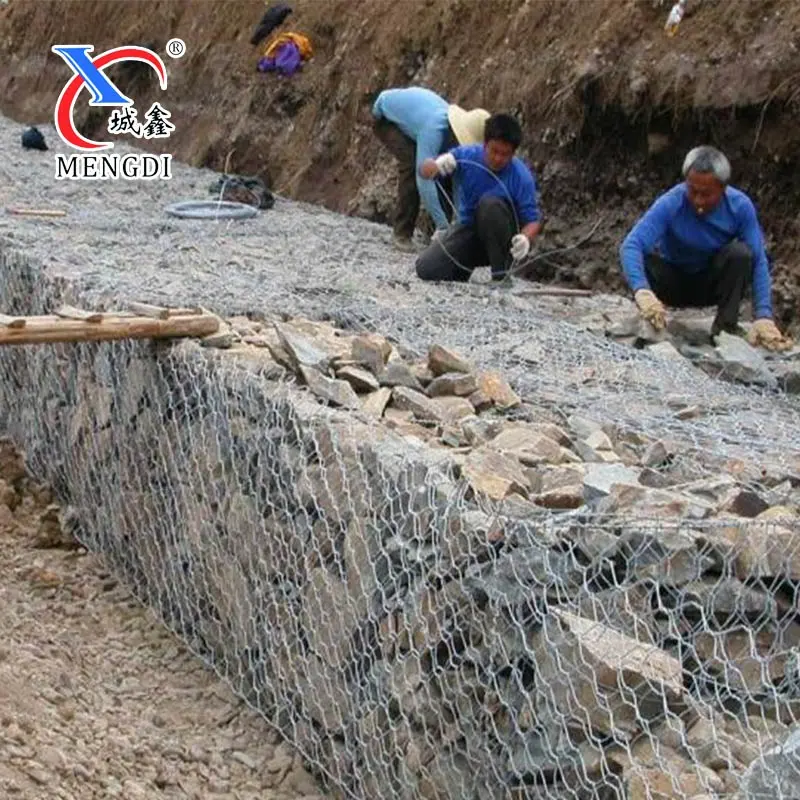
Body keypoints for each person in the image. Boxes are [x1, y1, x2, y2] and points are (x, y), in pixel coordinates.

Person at [620, 145, 792, 350]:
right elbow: (632, 245)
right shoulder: (671, 202)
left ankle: (725, 329)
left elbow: (758, 260)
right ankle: (650, 320)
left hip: (711, 283)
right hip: (673, 281)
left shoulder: (740, 207)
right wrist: (642, 291)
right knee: (640, 260)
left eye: (707, 194)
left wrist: (764, 316)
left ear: (723, 188)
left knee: (741, 255)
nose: (698, 201)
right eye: (693, 191)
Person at [414, 112, 542, 283]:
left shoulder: (521, 176)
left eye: (505, 154)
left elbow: (532, 220)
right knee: (426, 268)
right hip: (469, 232)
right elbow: (424, 171)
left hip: (502, 238)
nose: (498, 158)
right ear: (485, 144)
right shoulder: (467, 156)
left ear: (513, 154)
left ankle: (501, 277)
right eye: (494, 151)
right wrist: (437, 164)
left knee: (490, 205)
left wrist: (525, 238)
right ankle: (461, 271)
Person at [371, 87, 490, 252]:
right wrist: (443, 224)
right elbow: (424, 179)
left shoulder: (453, 137)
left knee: (445, 171)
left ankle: (438, 237)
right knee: (412, 165)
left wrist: (461, 221)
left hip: (415, 122)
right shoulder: (434, 128)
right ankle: (402, 234)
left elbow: (457, 181)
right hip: (386, 118)